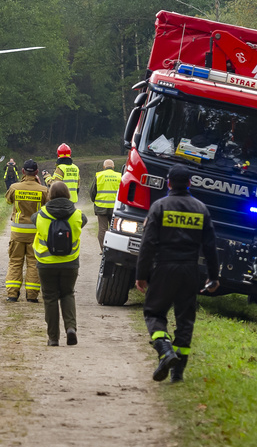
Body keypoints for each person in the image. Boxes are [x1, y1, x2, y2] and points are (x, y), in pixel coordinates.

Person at [135, 164, 220, 383]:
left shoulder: (159, 206)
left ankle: (164, 350)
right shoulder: (201, 209)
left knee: (154, 313)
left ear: (168, 182)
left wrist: (141, 274)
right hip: (190, 271)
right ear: (190, 183)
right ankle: (178, 373)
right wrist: (213, 276)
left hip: (164, 268)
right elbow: (210, 247)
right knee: (185, 319)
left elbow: (148, 244)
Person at [32, 181, 87, 346]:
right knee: (67, 293)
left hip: (46, 263)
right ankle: (71, 328)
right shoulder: (78, 215)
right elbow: (83, 222)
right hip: (70, 263)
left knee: (49, 297)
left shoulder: (40, 215)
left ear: (50, 195)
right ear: (68, 194)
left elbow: (32, 220)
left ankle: (53, 338)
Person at [5, 159, 49, 303]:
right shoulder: (43, 190)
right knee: (33, 263)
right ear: (37, 172)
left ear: (23, 171)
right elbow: (48, 206)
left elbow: (8, 201)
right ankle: (32, 295)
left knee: (15, 262)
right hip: (35, 234)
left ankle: (12, 294)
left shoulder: (14, 187)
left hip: (17, 234)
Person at [89, 159, 122, 252]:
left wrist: (94, 201)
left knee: (102, 229)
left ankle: (104, 250)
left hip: (101, 207)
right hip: (116, 208)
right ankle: (114, 249)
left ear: (104, 167)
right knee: (115, 229)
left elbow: (92, 192)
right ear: (113, 167)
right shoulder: (119, 176)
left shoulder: (99, 176)